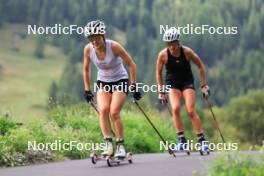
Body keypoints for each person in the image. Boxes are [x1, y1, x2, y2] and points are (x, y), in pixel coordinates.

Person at [83, 20, 141, 158]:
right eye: (91, 38)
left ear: (103, 35)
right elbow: (85, 69)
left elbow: (131, 64)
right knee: (103, 110)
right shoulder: (88, 49)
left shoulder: (114, 47)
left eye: (96, 37)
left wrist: (133, 86)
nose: (94, 41)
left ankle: (120, 145)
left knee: (114, 112)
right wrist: (87, 90)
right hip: (103, 82)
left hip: (120, 80)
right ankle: (108, 144)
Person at [156, 27, 210, 151]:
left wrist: (203, 85)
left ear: (178, 42)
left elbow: (201, 66)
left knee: (190, 110)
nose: (172, 47)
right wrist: (161, 91)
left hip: (187, 82)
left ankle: (202, 141)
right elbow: (158, 73)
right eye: (169, 44)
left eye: (173, 43)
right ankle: (182, 140)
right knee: (175, 109)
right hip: (172, 83)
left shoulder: (187, 52)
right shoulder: (163, 55)